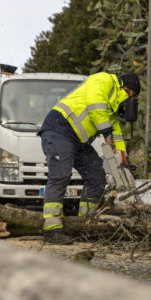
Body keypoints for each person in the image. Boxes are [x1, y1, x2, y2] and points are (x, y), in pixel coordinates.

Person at [37, 72, 140, 244]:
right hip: (59, 130)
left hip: (78, 141)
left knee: (96, 176)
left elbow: (117, 138)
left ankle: (86, 224)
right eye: (132, 96)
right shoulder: (104, 80)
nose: (130, 101)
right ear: (126, 88)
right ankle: (51, 229)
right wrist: (106, 135)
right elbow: (95, 107)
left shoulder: (111, 110)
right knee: (60, 176)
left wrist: (125, 161)